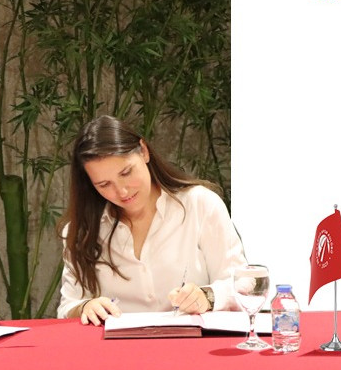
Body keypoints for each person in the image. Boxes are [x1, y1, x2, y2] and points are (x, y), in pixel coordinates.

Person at [57, 115, 247, 326]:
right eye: (104, 185)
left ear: (144, 151)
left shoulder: (200, 205)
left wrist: (207, 297)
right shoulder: (81, 230)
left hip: (193, 341)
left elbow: (243, 287)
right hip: (117, 344)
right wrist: (85, 306)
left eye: (126, 173)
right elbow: (67, 307)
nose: (122, 191)